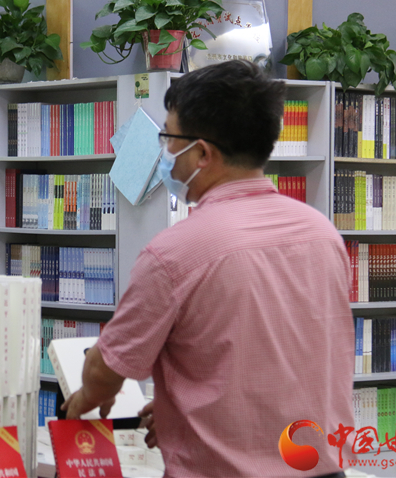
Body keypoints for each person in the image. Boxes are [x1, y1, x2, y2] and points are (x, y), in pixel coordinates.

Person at [62, 61, 354, 478]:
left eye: (169, 138)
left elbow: (107, 367)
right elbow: (280, 357)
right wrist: (185, 409)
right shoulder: (322, 234)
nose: (165, 152)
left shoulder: (175, 253)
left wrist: (85, 399)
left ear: (201, 153)